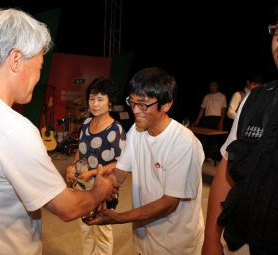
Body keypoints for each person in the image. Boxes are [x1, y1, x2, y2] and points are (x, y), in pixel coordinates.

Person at [0, 8, 117, 255]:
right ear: (16, 60)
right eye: (39, 66)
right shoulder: (11, 128)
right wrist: (99, 192)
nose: (39, 77)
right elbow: (67, 208)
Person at [85, 67, 205, 255]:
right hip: (145, 239)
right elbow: (120, 172)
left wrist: (117, 218)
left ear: (166, 105)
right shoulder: (136, 131)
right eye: (132, 103)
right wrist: (100, 192)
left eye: (143, 105)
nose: (135, 110)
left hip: (176, 245)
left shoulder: (184, 143)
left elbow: (169, 203)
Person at [202, 8, 278, 255]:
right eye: (277, 30)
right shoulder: (254, 99)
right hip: (243, 243)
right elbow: (228, 166)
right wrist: (212, 240)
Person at [65, 78, 126, 255]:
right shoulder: (86, 124)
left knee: (102, 233)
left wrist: (91, 172)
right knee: (85, 230)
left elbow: (121, 163)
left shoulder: (116, 130)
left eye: (100, 99)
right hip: (82, 186)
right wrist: (72, 167)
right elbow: (81, 152)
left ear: (110, 102)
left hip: (103, 188)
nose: (95, 104)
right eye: (92, 99)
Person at [192, 81, 227, 161]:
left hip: (216, 118)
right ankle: (201, 155)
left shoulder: (222, 96)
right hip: (207, 118)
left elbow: (223, 110)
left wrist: (221, 122)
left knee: (214, 138)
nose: (212, 87)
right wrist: (197, 120)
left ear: (217, 86)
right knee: (203, 137)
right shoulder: (207, 96)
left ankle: (210, 157)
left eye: (214, 85)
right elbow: (202, 109)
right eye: (211, 86)